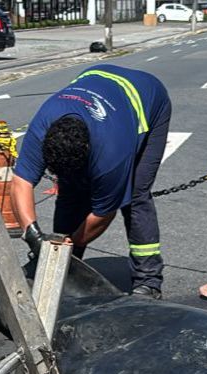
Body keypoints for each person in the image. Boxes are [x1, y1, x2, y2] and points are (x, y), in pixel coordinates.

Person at [10, 64, 172, 299]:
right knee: (70, 191)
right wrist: (32, 234)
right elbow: (21, 183)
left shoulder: (111, 154)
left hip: (147, 97)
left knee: (135, 196)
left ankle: (148, 279)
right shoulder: (43, 127)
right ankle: (64, 270)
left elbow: (103, 214)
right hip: (96, 75)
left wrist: (69, 248)